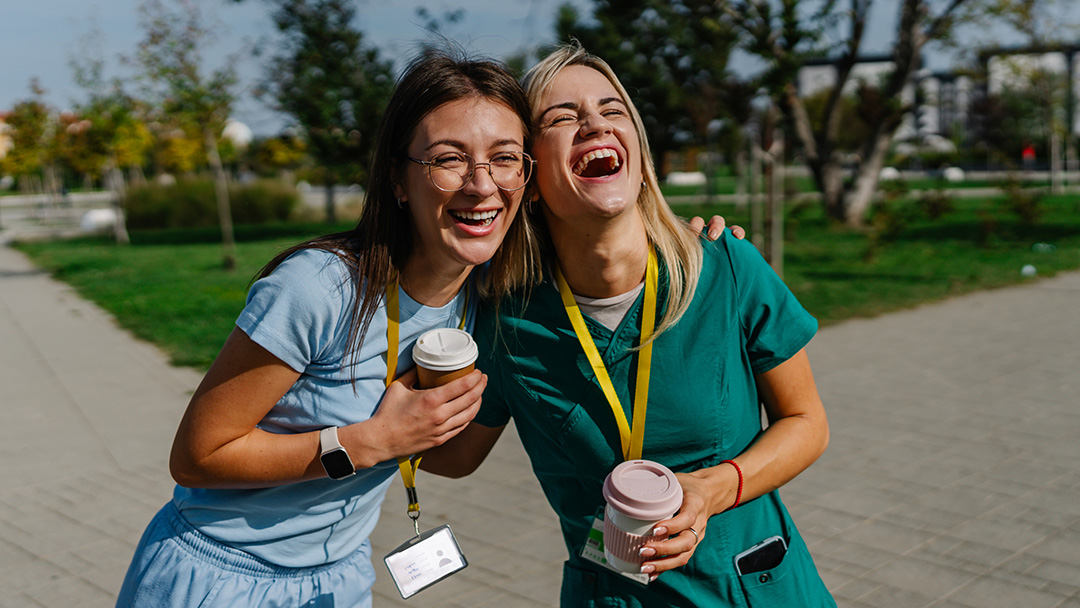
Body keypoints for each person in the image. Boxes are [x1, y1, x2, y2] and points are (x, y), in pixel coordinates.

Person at [115, 50, 537, 607]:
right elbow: (197, 455)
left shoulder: (482, 299)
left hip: (340, 579)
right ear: (399, 180)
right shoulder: (317, 289)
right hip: (222, 576)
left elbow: (451, 460)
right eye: (448, 158)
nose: (482, 185)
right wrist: (374, 441)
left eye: (504, 158)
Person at [422, 42, 835, 606]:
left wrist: (713, 488)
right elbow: (453, 457)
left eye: (612, 110)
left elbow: (807, 421)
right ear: (528, 177)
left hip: (752, 589)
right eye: (562, 117)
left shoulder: (727, 268)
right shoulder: (505, 320)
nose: (594, 123)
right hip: (610, 595)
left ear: (638, 153)